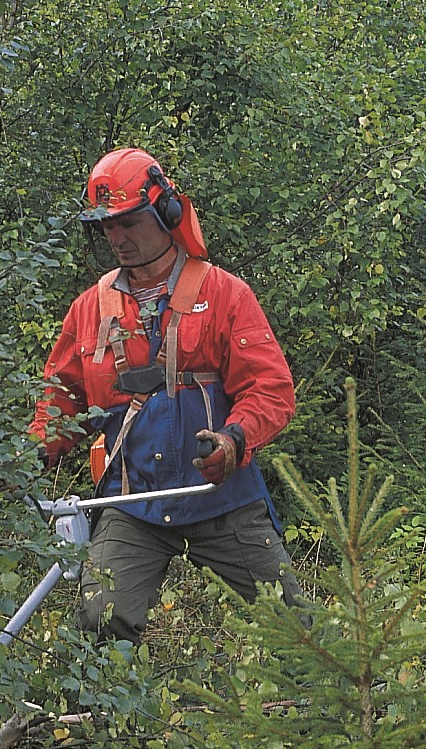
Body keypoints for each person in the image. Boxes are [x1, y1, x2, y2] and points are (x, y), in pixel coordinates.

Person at [28, 147, 302, 644]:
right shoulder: (90, 309)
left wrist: (233, 442)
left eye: (128, 222)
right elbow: (61, 401)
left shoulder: (224, 294)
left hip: (220, 495)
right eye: (107, 226)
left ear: (165, 212)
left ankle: (336, 715)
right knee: (100, 622)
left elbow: (272, 389)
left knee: (294, 625)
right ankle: (109, 720)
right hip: (133, 501)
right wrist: (25, 459)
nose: (118, 237)